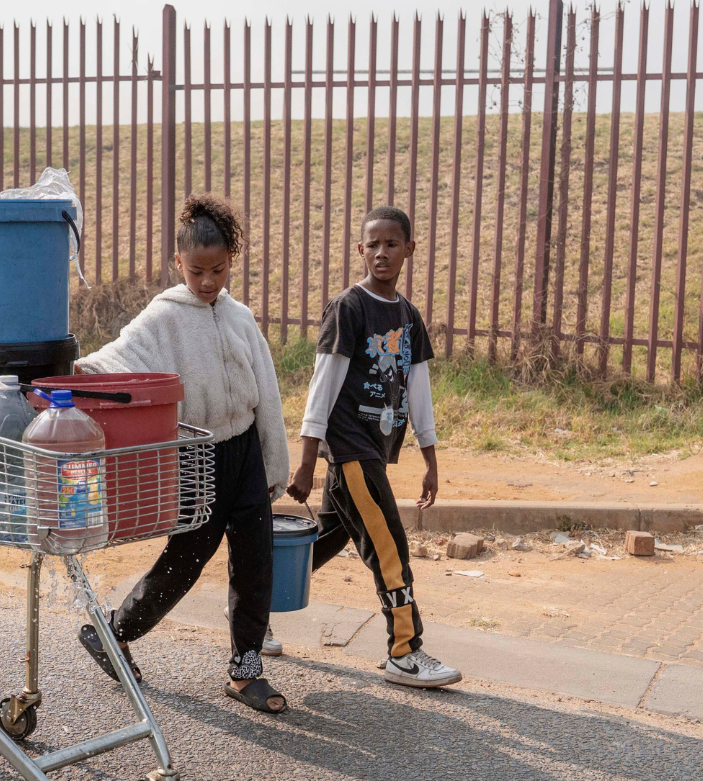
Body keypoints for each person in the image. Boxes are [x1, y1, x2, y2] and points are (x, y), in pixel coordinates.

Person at [73, 195, 292, 713]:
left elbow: (268, 391)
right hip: (197, 456)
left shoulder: (240, 317)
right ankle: (114, 632)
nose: (209, 281)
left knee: (257, 560)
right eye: (197, 271)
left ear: (230, 263)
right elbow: (122, 354)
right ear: (179, 265)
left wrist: (274, 462)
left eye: (218, 270)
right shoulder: (163, 317)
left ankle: (246, 669)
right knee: (188, 556)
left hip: (244, 453)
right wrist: (83, 371)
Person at [287, 206, 462, 688]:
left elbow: (418, 390)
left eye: (392, 244)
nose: (381, 253)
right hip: (351, 449)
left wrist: (430, 459)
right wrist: (307, 461)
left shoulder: (407, 315)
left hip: (376, 446)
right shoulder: (350, 307)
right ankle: (405, 652)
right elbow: (322, 386)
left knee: (326, 539)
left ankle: (251, 606)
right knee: (389, 547)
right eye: (373, 244)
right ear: (360, 249)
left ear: (409, 248)